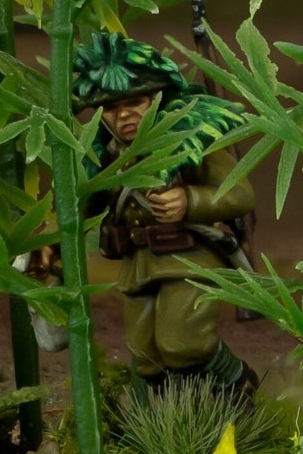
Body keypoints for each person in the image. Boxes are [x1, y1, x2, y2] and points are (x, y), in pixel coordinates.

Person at [61, 32, 258, 395]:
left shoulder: (190, 138)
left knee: (184, 345)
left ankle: (234, 380)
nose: (123, 116)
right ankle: (153, 423)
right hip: (138, 262)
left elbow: (240, 193)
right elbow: (82, 205)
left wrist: (190, 201)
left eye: (134, 102)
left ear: (157, 97)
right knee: (146, 357)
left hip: (190, 258)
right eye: (110, 108)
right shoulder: (105, 155)